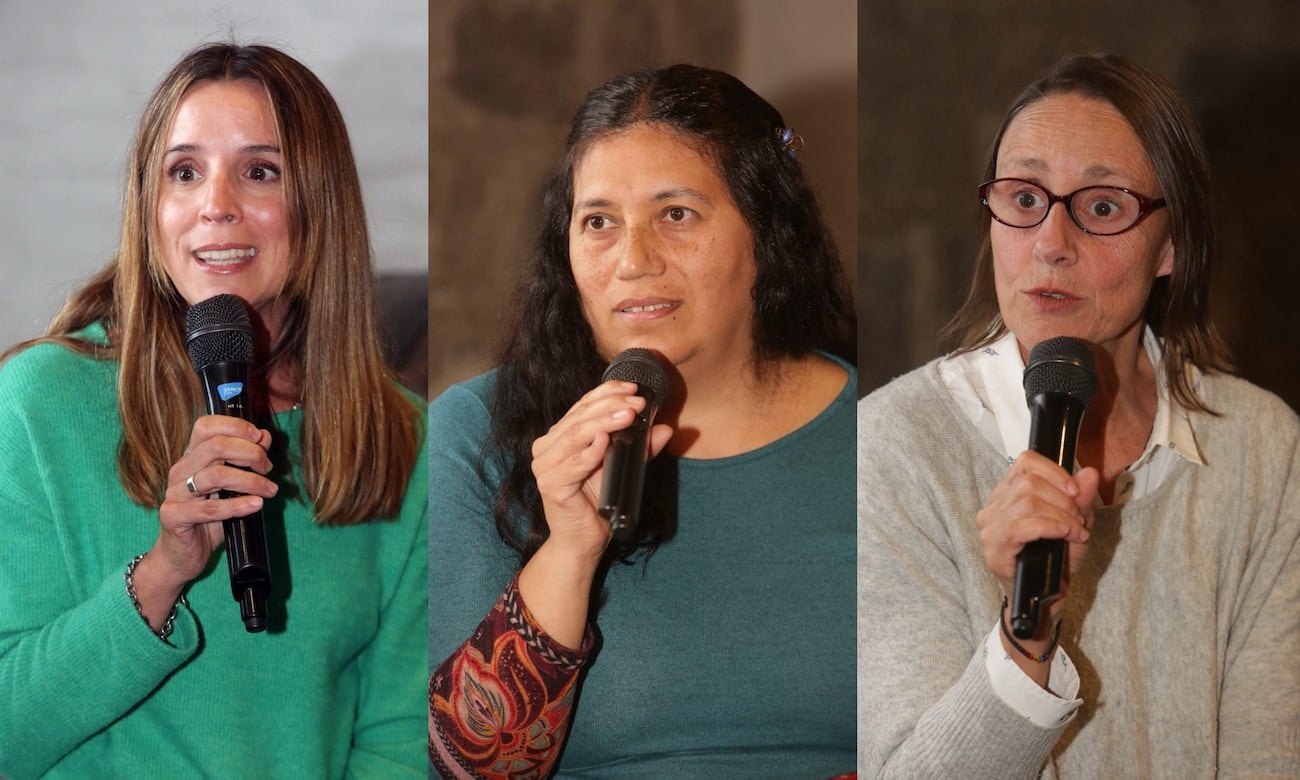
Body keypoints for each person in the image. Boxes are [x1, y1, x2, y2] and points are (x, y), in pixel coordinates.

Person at [858, 51, 1300, 777]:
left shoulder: (1261, 449)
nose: (1050, 245)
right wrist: (1022, 643)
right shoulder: (894, 447)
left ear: (1173, 245)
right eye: (1025, 200)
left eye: (1102, 207)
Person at [0, 43, 428, 777]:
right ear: (151, 206)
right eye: (184, 172)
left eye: (260, 171)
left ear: (319, 204)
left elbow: (397, 740)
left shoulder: (406, 439)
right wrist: (163, 573)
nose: (216, 205)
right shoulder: (38, 403)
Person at [427, 64, 857, 778]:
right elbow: (467, 771)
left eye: (676, 215)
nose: (633, 260)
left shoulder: (881, 431)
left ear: (767, 233)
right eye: (599, 222)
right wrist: (568, 553)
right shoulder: (477, 435)